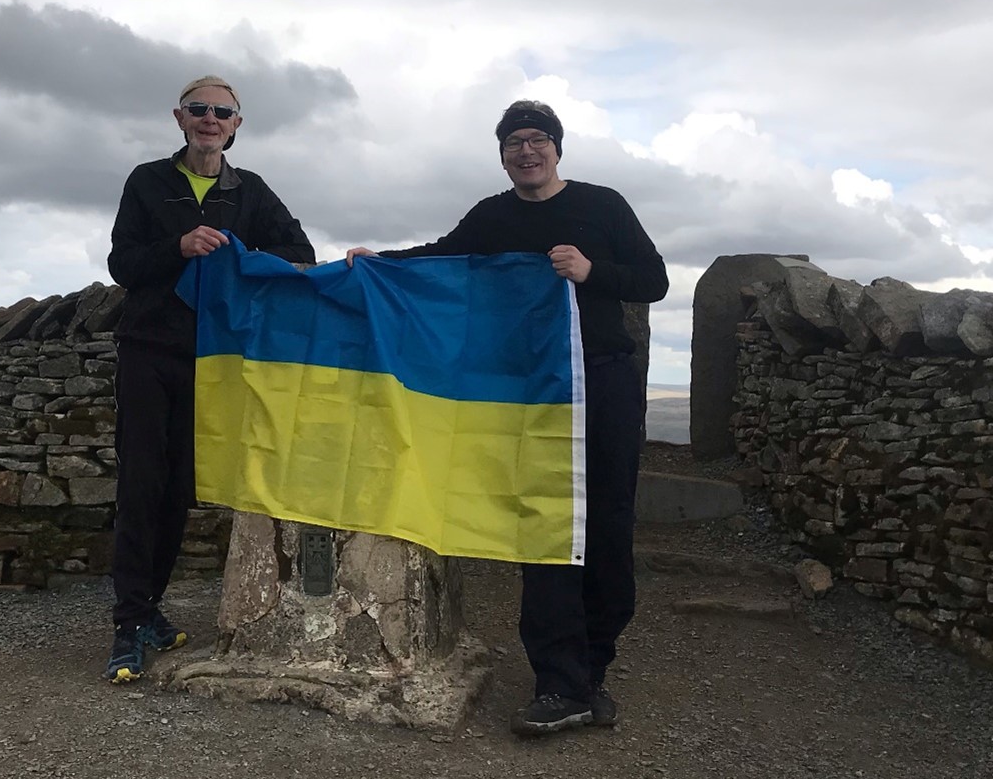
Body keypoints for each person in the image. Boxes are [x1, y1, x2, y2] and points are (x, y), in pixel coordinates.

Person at [348, 100, 667, 737]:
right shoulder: (494, 216)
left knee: (606, 524)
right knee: (544, 526)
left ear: (557, 148)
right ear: (502, 154)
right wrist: (378, 261)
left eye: (538, 140)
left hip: (602, 381)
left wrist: (591, 271)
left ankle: (591, 670)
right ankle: (558, 681)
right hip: (531, 395)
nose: (527, 151)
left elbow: (653, 279)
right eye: (515, 142)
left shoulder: (603, 205)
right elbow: (444, 260)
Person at [104, 75, 315, 683]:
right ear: (179, 117)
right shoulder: (147, 181)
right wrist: (180, 245)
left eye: (221, 112)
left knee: (178, 488)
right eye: (199, 109)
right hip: (148, 348)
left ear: (236, 126)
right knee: (142, 484)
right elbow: (123, 264)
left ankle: (150, 612)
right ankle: (128, 623)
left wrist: (236, 255)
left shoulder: (250, 190)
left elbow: (297, 252)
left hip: (215, 361)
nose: (209, 118)